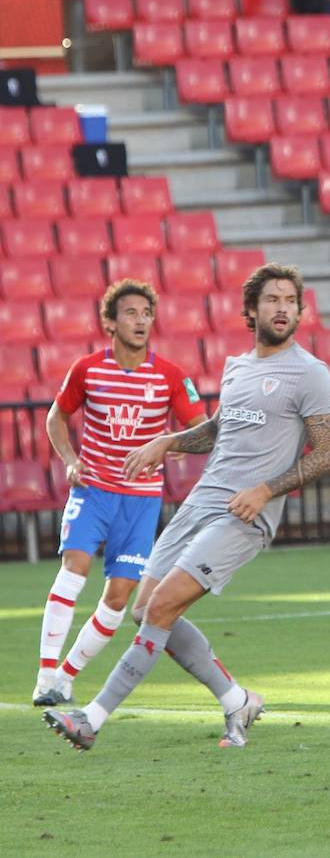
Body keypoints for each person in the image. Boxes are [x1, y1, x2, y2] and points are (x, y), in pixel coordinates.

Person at [42, 264, 330, 751]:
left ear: (301, 311)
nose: (282, 308)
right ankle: (236, 698)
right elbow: (220, 430)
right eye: (271, 300)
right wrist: (168, 440)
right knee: (143, 609)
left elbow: (326, 454)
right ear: (250, 311)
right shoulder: (238, 367)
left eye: (290, 300)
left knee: (161, 605)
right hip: (203, 500)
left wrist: (266, 490)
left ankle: (91, 717)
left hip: (246, 515)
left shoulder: (310, 373)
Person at [32, 280, 207, 708]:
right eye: (131, 313)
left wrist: (172, 443)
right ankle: (44, 675)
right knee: (74, 569)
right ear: (110, 322)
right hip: (93, 490)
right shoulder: (88, 368)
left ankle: (67, 677)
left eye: (147, 313)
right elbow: (57, 417)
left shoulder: (169, 376)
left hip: (142, 500)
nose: (141, 320)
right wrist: (71, 460)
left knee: (119, 596)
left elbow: (203, 430)